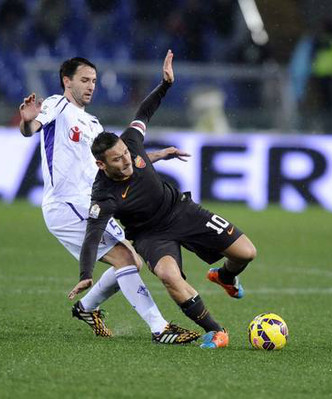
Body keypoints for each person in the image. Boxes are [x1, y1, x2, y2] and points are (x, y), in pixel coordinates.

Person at [77, 50, 257, 349]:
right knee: (167, 275)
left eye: (126, 154)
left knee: (246, 253)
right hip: (150, 235)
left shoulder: (131, 143)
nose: (127, 161)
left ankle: (224, 277)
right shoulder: (103, 195)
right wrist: (85, 274)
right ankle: (217, 331)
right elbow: (92, 235)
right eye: (118, 161)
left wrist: (165, 85)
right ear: (101, 165)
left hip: (181, 210)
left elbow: (144, 113)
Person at [18, 56, 199, 345]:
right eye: (84, 80)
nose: (91, 87)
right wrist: (27, 121)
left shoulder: (92, 123)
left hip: (88, 204)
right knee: (126, 258)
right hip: (66, 205)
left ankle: (87, 308)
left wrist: (156, 156)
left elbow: (116, 162)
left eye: (93, 81)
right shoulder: (56, 105)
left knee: (133, 262)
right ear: (67, 81)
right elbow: (34, 126)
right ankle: (159, 328)